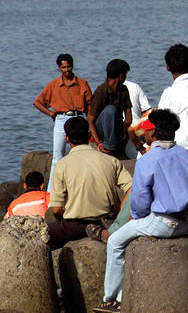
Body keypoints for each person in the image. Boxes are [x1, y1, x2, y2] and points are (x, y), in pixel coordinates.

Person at [95, 109, 188, 313]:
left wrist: (136, 219)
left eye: (146, 131)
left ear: (153, 133)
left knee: (114, 242)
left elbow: (139, 204)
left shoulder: (147, 160)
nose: (144, 134)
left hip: (164, 224)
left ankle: (113, 299)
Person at [47, 117, 133, 248]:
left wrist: (65, 218)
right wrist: (120, 214)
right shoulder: (111, 160)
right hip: (107, 220)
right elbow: (133, 188)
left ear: (67, 139)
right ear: (88, 135)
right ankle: (100, 232)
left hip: (74, 226)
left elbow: (56, 209)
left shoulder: (62, 165)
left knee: (41, 231)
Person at [33, 53, 92, 191]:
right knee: (57, 157)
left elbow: (90, 106)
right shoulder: (53, 85)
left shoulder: (82, 83)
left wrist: (89, 125)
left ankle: (78, 187)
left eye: (69, 66)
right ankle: (52, 191)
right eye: (64, 67)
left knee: (80, 154)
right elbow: (38, 102)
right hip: (60, 119)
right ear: (59, 68)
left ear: (73, 65)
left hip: (78, 118)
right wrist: (51, 113)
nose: (67, 70)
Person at [88, 59, 139, 158]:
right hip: (101, 129)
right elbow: (90, 120)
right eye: (125, 74)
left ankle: (115, 144)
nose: (126, 77)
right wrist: (98, 143)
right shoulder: (101, 91)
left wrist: (125, 130)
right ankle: (110, 146)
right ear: (120, 76)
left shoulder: (123, 90)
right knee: (110, 110)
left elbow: (128, 117)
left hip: (116, 127)